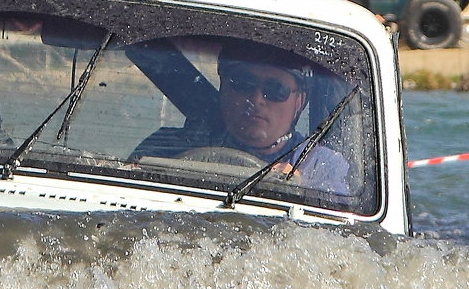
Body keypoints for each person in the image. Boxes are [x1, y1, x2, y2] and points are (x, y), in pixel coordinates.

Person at [132, 39, 349, 194]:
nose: (256, 99)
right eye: (242, 84)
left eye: (275, 90)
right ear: (223, 87)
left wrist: (302, 188)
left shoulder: (321, 165)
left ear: (299, 102)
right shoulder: (165, 147)